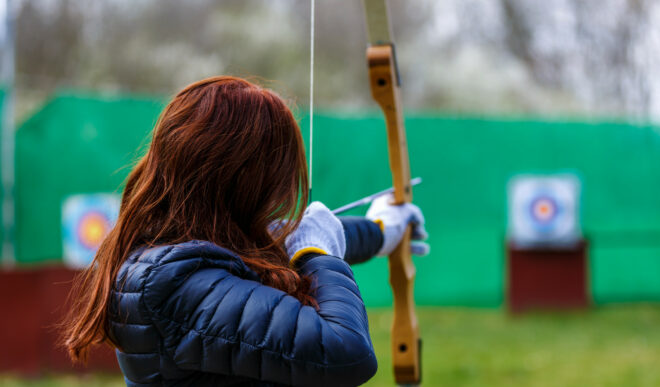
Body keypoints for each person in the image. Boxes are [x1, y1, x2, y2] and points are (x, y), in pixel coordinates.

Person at [62, 76, 428, 386]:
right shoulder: (176, 282)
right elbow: (345, 351)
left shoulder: (186, 250)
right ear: (244, 182)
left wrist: (383, 229)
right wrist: (319, 253)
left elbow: (287, 240)